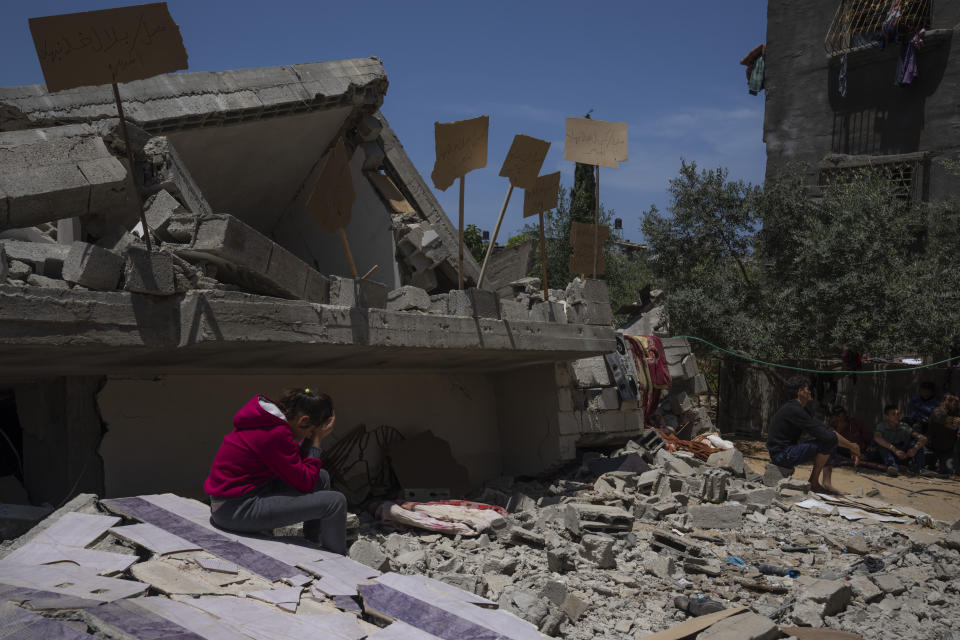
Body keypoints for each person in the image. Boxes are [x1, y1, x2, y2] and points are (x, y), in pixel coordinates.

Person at [203, 388, 347, 555]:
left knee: (321, 477)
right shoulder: (275, 434)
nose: (309, 434)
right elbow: (305, 483)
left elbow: (296, 465)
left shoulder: (269, 422)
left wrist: (310, 438)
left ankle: (313, 542)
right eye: (310, 431)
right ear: (303, 420)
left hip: (237, 499)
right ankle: (337, 559)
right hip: (236, 510)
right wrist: (316, 442)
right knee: (335, 502)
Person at [767, 376, 861, 495]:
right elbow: (827, 436)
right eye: (807, 389)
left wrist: (852, 445)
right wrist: (852, 447)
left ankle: (827, 483)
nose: (810, 391)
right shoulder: (794, 410)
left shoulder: (803, 409)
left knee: (829, 439)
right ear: (800, 392)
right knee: (828, 440)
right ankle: (814, 483)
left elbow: (826, 429)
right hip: (781, 455)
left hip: (788, 451)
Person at [874, 404, 927, 477]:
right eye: (893, 414)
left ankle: (919, 468)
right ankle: (892, 467)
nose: (897, 416)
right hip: (889, 454)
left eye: (898, 414)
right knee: (881, 446)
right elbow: (877, 438)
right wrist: (894, 450)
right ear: (886, 417)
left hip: (902, 454)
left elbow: (923, 438)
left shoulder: (904, 426)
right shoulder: (881, 426)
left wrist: (914, 449)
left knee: (916, 443)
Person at [927, 393, 960, 475]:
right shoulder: (937, 411)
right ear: (943, 401)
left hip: (948, 449)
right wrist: (955, 421)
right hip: (933, 448)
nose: (954, 402)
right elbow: (944, 419)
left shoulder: (957, 412)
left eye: (956, 401)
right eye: (950, 400)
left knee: (947, 471)